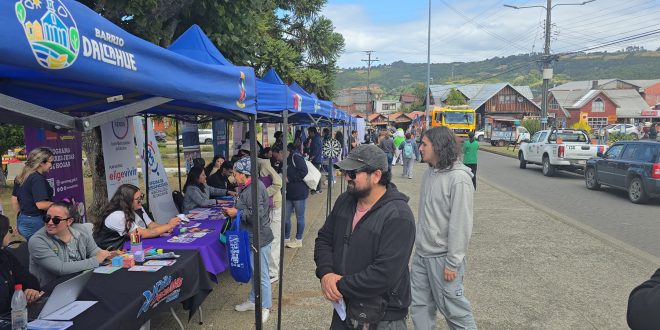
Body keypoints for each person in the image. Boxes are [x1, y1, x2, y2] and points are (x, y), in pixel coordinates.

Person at [314, 144, 416, 329]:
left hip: (383, 316)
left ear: (376, 175)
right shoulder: (345, 201)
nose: (347, 178)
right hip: (344, 308)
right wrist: (326, 273)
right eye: (345, 172)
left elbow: (385, 273)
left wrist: (339, 284)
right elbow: (324, 239)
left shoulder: (398, 215)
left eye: (353, 173)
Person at [411, 126, 477, 330]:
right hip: (421, 255)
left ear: (438, 147)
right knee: (419, 308)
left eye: (424, 144)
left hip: (443, 258)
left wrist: (453, 262)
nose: (419, 148)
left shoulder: (459, 178)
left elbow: (461, 223)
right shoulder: (429, 173)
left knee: (454, 311)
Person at [223, 158, 273, 323]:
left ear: (245, 175)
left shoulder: (255, 189)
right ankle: (253, 300)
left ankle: (265, 306)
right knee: (254, 272)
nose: (234, 176)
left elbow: (256, 216)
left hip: (259, 238)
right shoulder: (248, 187)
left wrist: (236, 213)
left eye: (236, 174)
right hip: (251, 236)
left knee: (262, 274)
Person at [29, 201, 112, 287]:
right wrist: (95, 260)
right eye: (47, 218)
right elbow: (60, 269)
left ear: (69, 221)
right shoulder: (37, 241)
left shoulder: (81, 230)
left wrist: (106, 255)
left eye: (56, 220)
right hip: (53, 288)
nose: (50, 223)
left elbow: (93, 250)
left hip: (81, 280)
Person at [93, 184, 182, 250]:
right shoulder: (118, 216)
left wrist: (164, 228)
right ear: (127, 200)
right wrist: (169, 225)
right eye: (137, 199)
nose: (140, 201)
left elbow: (150, 225)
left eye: (141, 197)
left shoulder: (136, 207)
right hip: (110, 254)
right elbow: (146, 233)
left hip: (127, 247)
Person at [0, 214, 43, 315]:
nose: (11, 234)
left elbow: (28, 279)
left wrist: (31, 291)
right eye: (9, 229)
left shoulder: (6, 256)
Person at [12, 147, 54, 240]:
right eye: (51, 162)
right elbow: (41, 204)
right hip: (36, 222)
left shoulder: (21, 176)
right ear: (42, 163)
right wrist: (60, 205)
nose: (52, 166)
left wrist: (21, 219)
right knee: (44, 251)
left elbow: (14, 200)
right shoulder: (37, 179)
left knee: (33, 250)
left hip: (23, 219)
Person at [257, 148, 283, 283]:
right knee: (269, 239)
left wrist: (264, 193)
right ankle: (270, 268)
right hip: (268, 207)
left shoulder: (264, 166)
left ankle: (273, 272)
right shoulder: (258, 165)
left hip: (274, 207)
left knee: (274, 239)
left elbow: (278, 182)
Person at [283, 143, 308, 249]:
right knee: (286, 217)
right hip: (288, 193)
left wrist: (290, 179)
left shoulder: (296, 157)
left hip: (299, 193)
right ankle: (286, 238)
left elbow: (304, 171)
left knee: (300, 217)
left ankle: (298, 240)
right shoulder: (285, 160)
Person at [308, 127, 324, 194]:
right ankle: (317, 188)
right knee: (316, 174)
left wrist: (311, 158)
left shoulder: (316, 139)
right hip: (316, 159)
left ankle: (317, 189)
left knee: (316, 174)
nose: (308, 134)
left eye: (309, 133)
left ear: (312, 132)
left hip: (316, 160)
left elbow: (316, 151)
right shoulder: (316, 138)